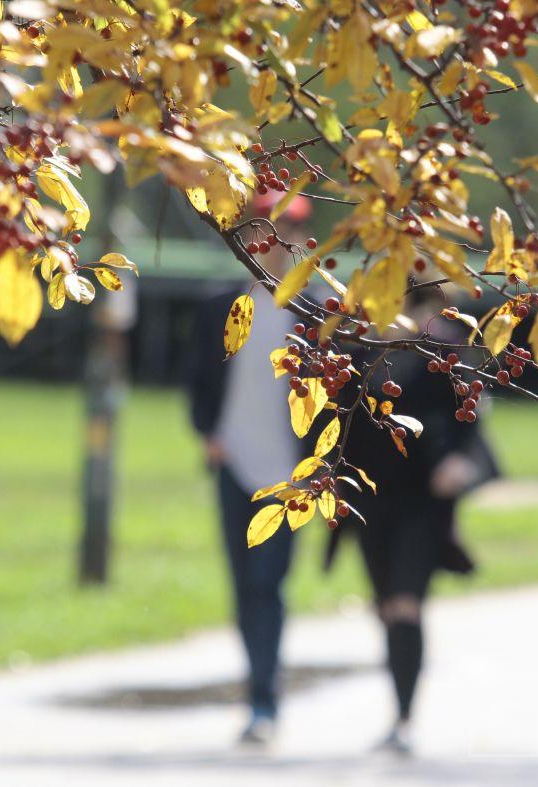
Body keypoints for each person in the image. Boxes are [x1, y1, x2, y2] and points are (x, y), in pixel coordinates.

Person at [325, 292, 499, 756]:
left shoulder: (440, 360)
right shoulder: (356, 358)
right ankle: (399, 706)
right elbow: (334, 428)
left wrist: (461, 462)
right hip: (370, 506)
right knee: (386, 609)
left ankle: (403, 720)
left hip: (422, 506)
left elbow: (470, 421)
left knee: (405, 605)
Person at [185, 192, 313, 745]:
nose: (276, 241)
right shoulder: (222, 307)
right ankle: (258, 695)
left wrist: (319, 466)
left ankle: (266, 702)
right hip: (235, 468)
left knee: (270, 585)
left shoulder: (314, 317)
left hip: (290, 478)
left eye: (287, 230)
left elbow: (336, 397)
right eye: (267, 229)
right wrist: (210, 434)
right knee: (243, 588)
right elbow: (197, 377)